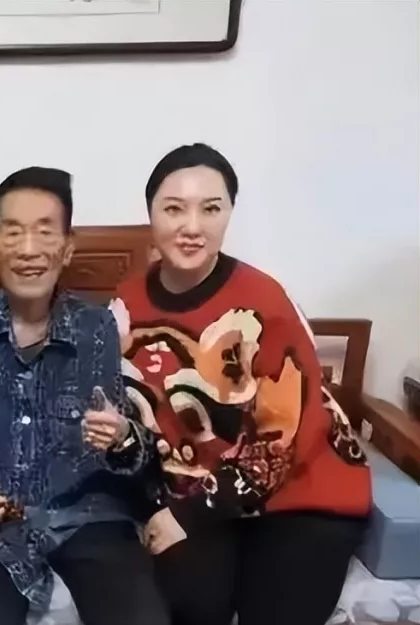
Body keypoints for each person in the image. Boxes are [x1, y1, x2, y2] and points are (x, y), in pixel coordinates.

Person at [0, 166, 170, 625]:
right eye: (14, 232)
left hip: (86, 516)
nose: (28, 249)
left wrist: (123, 437)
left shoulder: (97, 329)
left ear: (68, 247)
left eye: (45, 232)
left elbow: (129, 453)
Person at [110, 142, 371, 625]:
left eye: (211, 209)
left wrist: (188, 516)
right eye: (174, 209)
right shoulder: (127, 301)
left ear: (230, 212)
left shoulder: (264, 300)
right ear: (151, 214)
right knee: (191, 604)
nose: (192, 226)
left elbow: (285, 442)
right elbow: (131, 413)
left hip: (300, 495)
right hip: (197, 488)